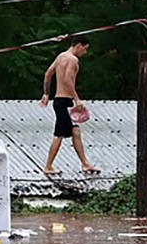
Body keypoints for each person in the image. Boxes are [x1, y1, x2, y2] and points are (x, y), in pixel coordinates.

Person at [39, 36, 101, 176]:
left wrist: (46, 94)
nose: (84, 53)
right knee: (59, 134)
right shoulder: (73, 60)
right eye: (84, 49)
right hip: (64, 101)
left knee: (76, 131)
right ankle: (48, 166)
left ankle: (85, 163)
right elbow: (67, 80)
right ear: (78, 45)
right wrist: (77, 100)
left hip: (60, 100)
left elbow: (48, 74)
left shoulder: (61, 56)